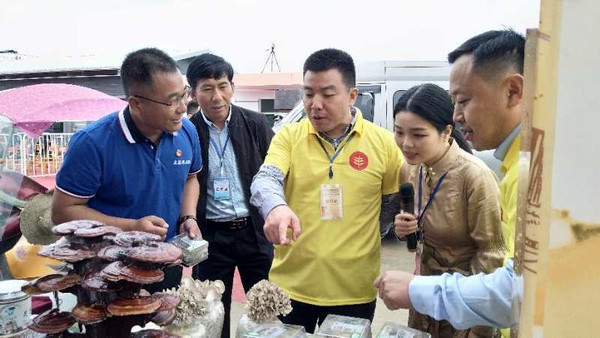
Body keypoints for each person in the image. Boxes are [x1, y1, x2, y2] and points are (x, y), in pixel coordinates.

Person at [374, 29, 526, 330]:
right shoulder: (414, 170)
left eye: (464, 101)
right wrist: (409, 232)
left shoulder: (484, 175)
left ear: (512, 91)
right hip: (431, 299)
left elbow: (501, 271)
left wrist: (472, 327)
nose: (457, 115)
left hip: (464, 312)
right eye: (399, 132)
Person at [250, 48, 403, 333]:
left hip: (354, 290)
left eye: (327, 94)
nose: (315, 104)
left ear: (352, 95)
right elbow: (266, 178)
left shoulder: (383, 144)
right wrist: (276, 206)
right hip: (291, 287)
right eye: (308, 94)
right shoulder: (289, 136)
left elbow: (389, 208)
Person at [52, 47, 202, 292]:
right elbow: (62, 212)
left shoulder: (186, 131)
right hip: (107, 269)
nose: (182, 108)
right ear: (136, 104)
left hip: (166, 260)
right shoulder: (92, 143)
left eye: (184, 95)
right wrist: (131, 227)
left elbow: (191, 178)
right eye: (170, 100)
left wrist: (188, 217)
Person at [393, 83, 504, 337]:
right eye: (399, 132)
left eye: (418, 135)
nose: (406, 144)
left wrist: (479, 327)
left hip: (464, 303)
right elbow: (415, 243)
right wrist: (403, 231)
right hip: (425, 296)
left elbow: (492, 258)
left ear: (446, 132)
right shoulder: (410, 169)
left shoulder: (474, 177)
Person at [186, 53, 274, 338]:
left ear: (232, 87)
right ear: (193, 92)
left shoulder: (256, 123)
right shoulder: (187, 131)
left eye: (223, 86)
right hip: (211, 236)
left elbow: (275, 169)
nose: (217, 96)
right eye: (207, 88)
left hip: (253, 233)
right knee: (212, 312)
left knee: (264, 308)